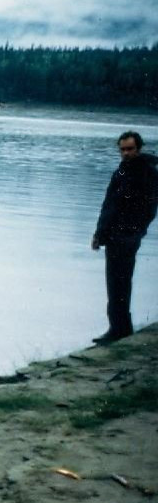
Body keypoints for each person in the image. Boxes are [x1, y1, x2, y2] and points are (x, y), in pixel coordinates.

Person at [91, 131, 158, 344]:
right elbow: (108, 205)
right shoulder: (121, 171)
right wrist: (98, 234)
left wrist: (135, 232)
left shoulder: (147, 173)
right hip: (112, 235)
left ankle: (120, 329)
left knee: (120, 282)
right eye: (122, 149)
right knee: (114, 283)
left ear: (139, 148)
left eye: (130, 149)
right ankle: (119, 328)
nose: (126, 153)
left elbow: (150, 208)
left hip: (127, 236)